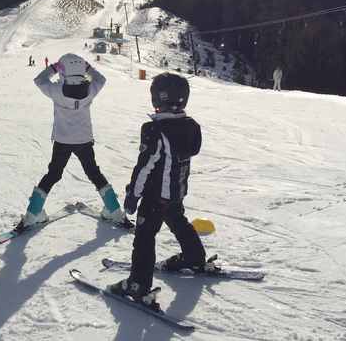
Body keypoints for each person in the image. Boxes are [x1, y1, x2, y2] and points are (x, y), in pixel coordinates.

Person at [109, 72, 206, 310]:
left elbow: (145, 167)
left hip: (155, 196)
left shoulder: (155, 130)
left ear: (158, 98)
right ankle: (194, 256)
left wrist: (133, 195)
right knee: (177, 220)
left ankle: (138, 285)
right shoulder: (190, 126)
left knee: (144, 236)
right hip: (176, 192)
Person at [17, 53, 127, 230]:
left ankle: (33, 213)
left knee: (53, 174)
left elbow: (39, 79)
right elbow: (101, 78)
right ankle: (114, 210)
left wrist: (53, 68)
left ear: (63, 71)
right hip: (84, 139)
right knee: (93, 172)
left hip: (63, 140)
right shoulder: (90, 89)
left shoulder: (56, 90)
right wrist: (88, 68)